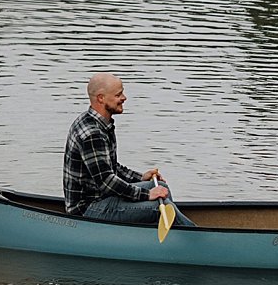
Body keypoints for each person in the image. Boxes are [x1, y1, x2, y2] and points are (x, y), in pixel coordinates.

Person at [63, 73, 195, 228]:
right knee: (158, 208)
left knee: (160, 186)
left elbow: (110, 167)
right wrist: (147, 194)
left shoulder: (99, 123)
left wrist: (141, 177)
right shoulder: (92, 134)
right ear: (101, 98)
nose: (124, 98)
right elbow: (107, 181)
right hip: (88, 210)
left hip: (102, 197)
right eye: (118, 94)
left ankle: (169, 234)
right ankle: (194, 237)